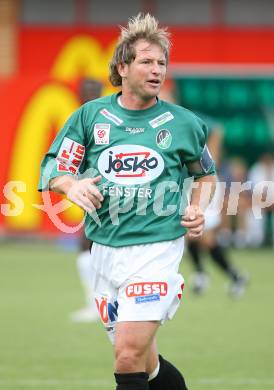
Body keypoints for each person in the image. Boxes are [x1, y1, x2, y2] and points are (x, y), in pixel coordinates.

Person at [39, 13, 216, 390]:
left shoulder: (183, 123)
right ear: (122, 66)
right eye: (147, 61)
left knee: (126, 356)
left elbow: (206, 174)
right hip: (105, 251)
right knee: (145, 364)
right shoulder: (90, 117)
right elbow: (55, 166)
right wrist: (69, 185)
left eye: (162, 63)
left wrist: (198, 205)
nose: (157, 70)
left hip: (156, 250)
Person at [186, 116, 248, 297]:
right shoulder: (182, 138)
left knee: (205, 238)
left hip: (208, 187)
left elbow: (218, 128)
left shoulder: (206, 145)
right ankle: (202, 274)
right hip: (192, 187)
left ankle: (234, 276)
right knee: (192, 235)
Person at [70, 78, 103, 322]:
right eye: (85, 92)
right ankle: (99, 304)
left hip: (104, 192)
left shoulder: (97, 120)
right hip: (90, 189)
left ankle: (98, 306)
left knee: (89, 246)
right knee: (89, 247)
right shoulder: (83, 119)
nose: (87, 96)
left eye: (91, 92)